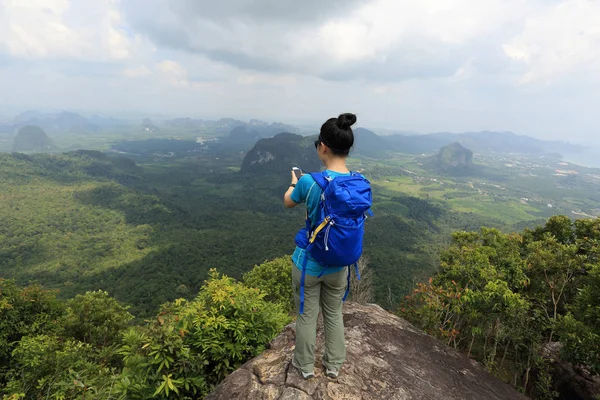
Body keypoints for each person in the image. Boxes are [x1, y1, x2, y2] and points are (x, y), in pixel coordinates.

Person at [283, 112, 358, 379]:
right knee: (334, 313)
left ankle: (304, 368)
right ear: (347, 149)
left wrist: (294, 181)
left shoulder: (309, 182)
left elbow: (289, 201)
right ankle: (334, 365)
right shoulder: (358, 183)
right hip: (340, 264)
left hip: (309, 264)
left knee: (306, 315)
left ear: (322, 147)